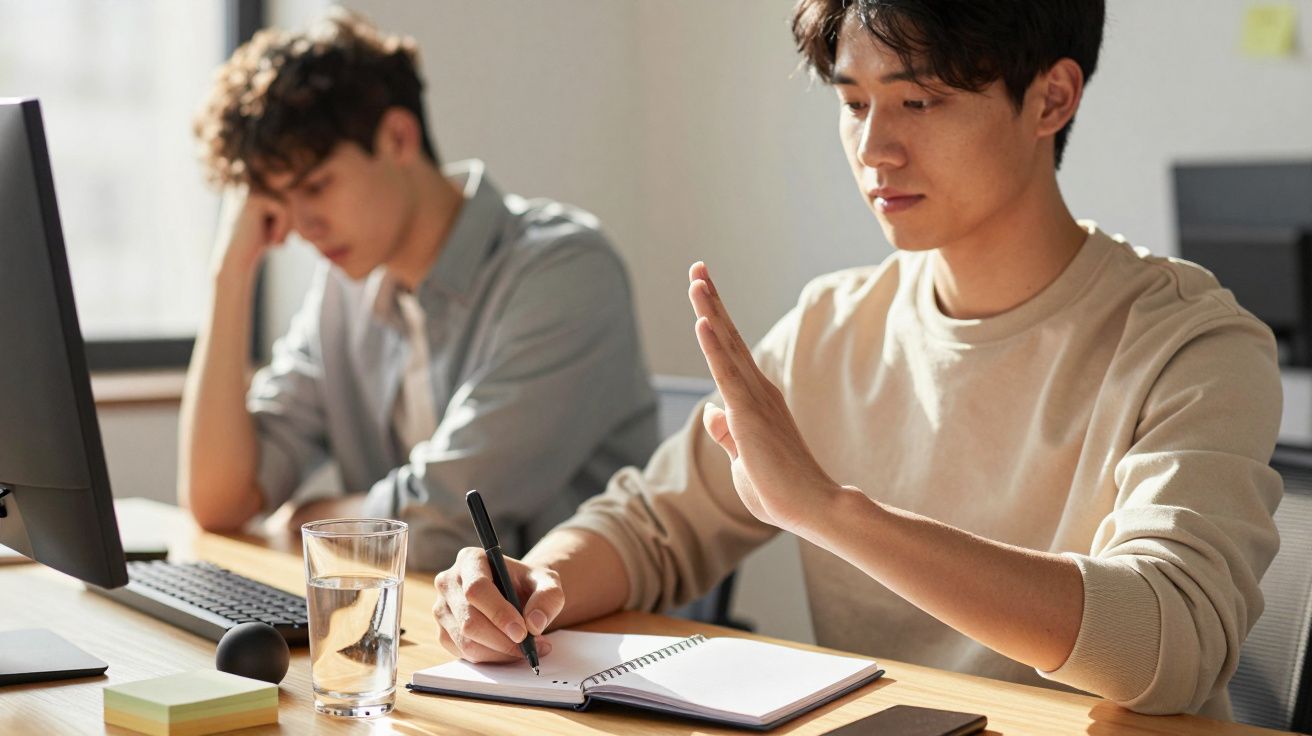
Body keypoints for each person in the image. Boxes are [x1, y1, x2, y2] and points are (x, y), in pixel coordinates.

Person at [430, 0, 1284, 719]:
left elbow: (1171, 641)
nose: (875, 149)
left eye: (919, 101)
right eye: (853, 103)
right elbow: (653, 525)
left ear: (1051, 99)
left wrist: (832, 511)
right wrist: (532, 584)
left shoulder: (1194, 344)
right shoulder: (832, 326)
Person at [178, 9, 658, 568]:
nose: (302, 226)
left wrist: (313, 516)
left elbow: (444, 526)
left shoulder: (565, 272)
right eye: (279, 201)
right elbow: (219, 501)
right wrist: (230, 274)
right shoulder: (342, 293)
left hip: (572, 619)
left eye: (315, 186)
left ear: (398, 137)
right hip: (427, 615)